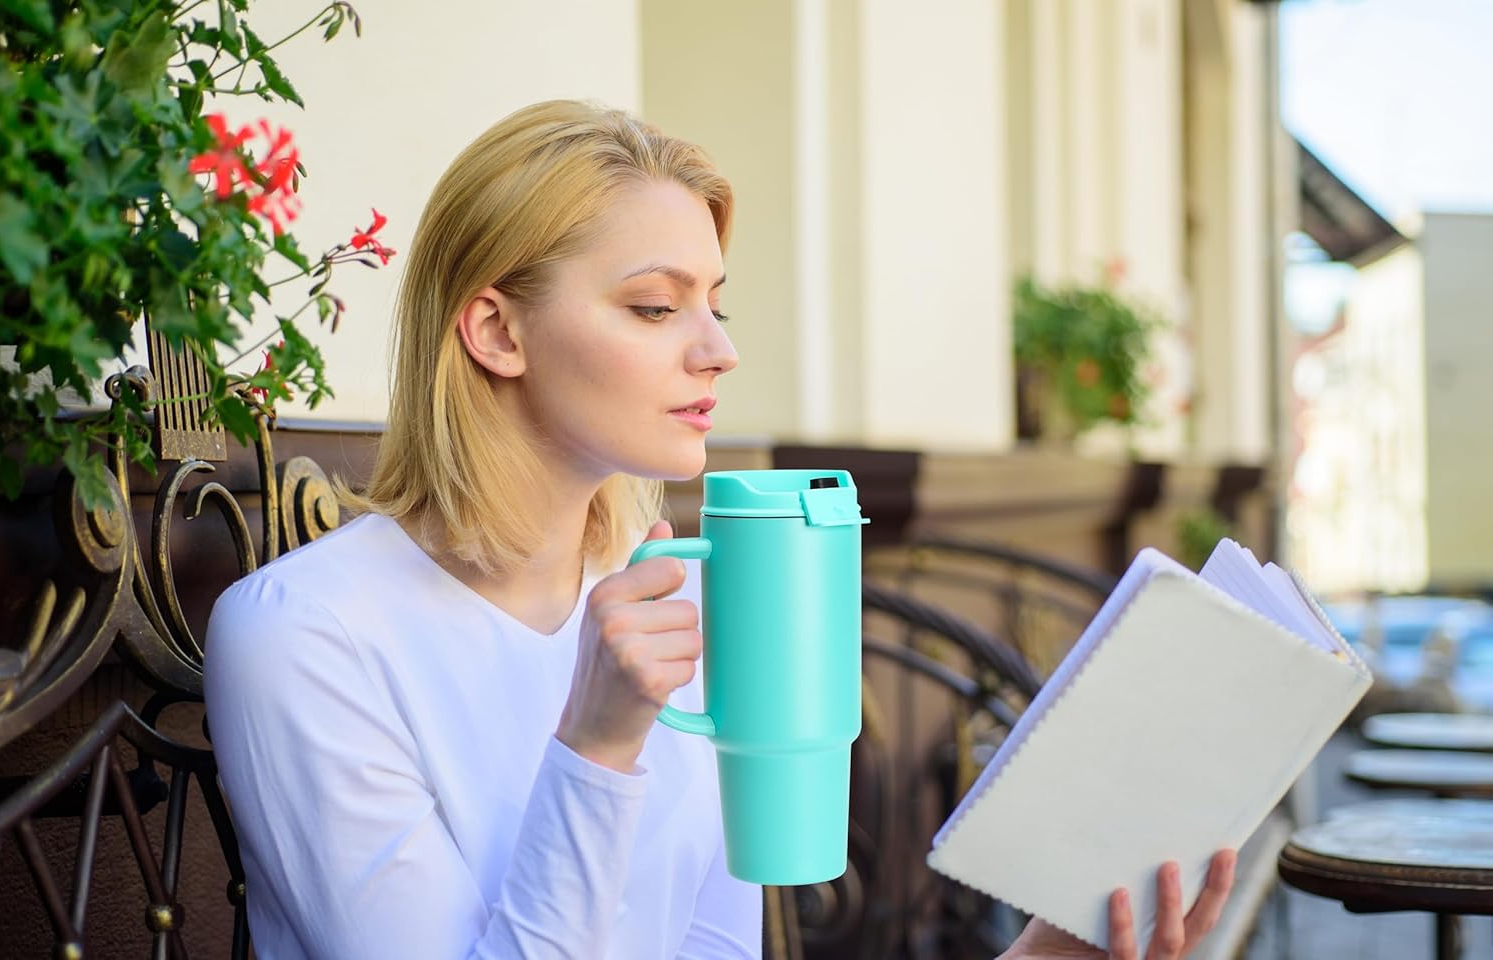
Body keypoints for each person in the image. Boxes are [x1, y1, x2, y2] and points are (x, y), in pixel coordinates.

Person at [204, 99, 1235, 960]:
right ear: (497, 332)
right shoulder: (305, 637)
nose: (716, 351)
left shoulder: (674, 599)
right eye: (656, 308)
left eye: (715, 304)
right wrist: (597, 747)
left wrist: (1049, 953)